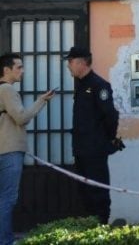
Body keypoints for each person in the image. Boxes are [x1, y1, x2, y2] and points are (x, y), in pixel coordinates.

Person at [0, 53, 55, 245]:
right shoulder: (6, 89)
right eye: (19, 67)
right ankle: (5, 241)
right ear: (6, 70)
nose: (22, 71)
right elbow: (21, 117)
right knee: (7, 199)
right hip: (8, 150)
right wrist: (41, 101)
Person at [65, 46, 120, 225]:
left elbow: (111, 115)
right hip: (81, 149)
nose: (68, 66)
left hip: (95, 149)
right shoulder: (81, 85)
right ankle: (90, 228)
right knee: (85, 191)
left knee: (98, 191)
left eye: (70, 62)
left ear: (81, 62)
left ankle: (101, 227)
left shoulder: (99, 85)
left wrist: (108, 138)